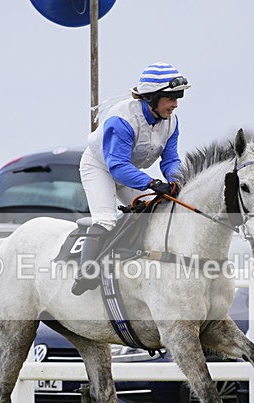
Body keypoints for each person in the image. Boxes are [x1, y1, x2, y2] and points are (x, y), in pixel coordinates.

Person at [72, 62, 190, 296]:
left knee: (156, 211)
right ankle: (86, 273)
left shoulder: (172, 122)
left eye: (178, 98)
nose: (175, 104)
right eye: (171, 98)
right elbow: (116, 166)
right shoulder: (123, 119)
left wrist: (178, 180)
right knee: (106, 220)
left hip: (128, 170)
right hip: (101, 168)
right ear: (152, 98)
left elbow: (170, 160)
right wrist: (153, 183)